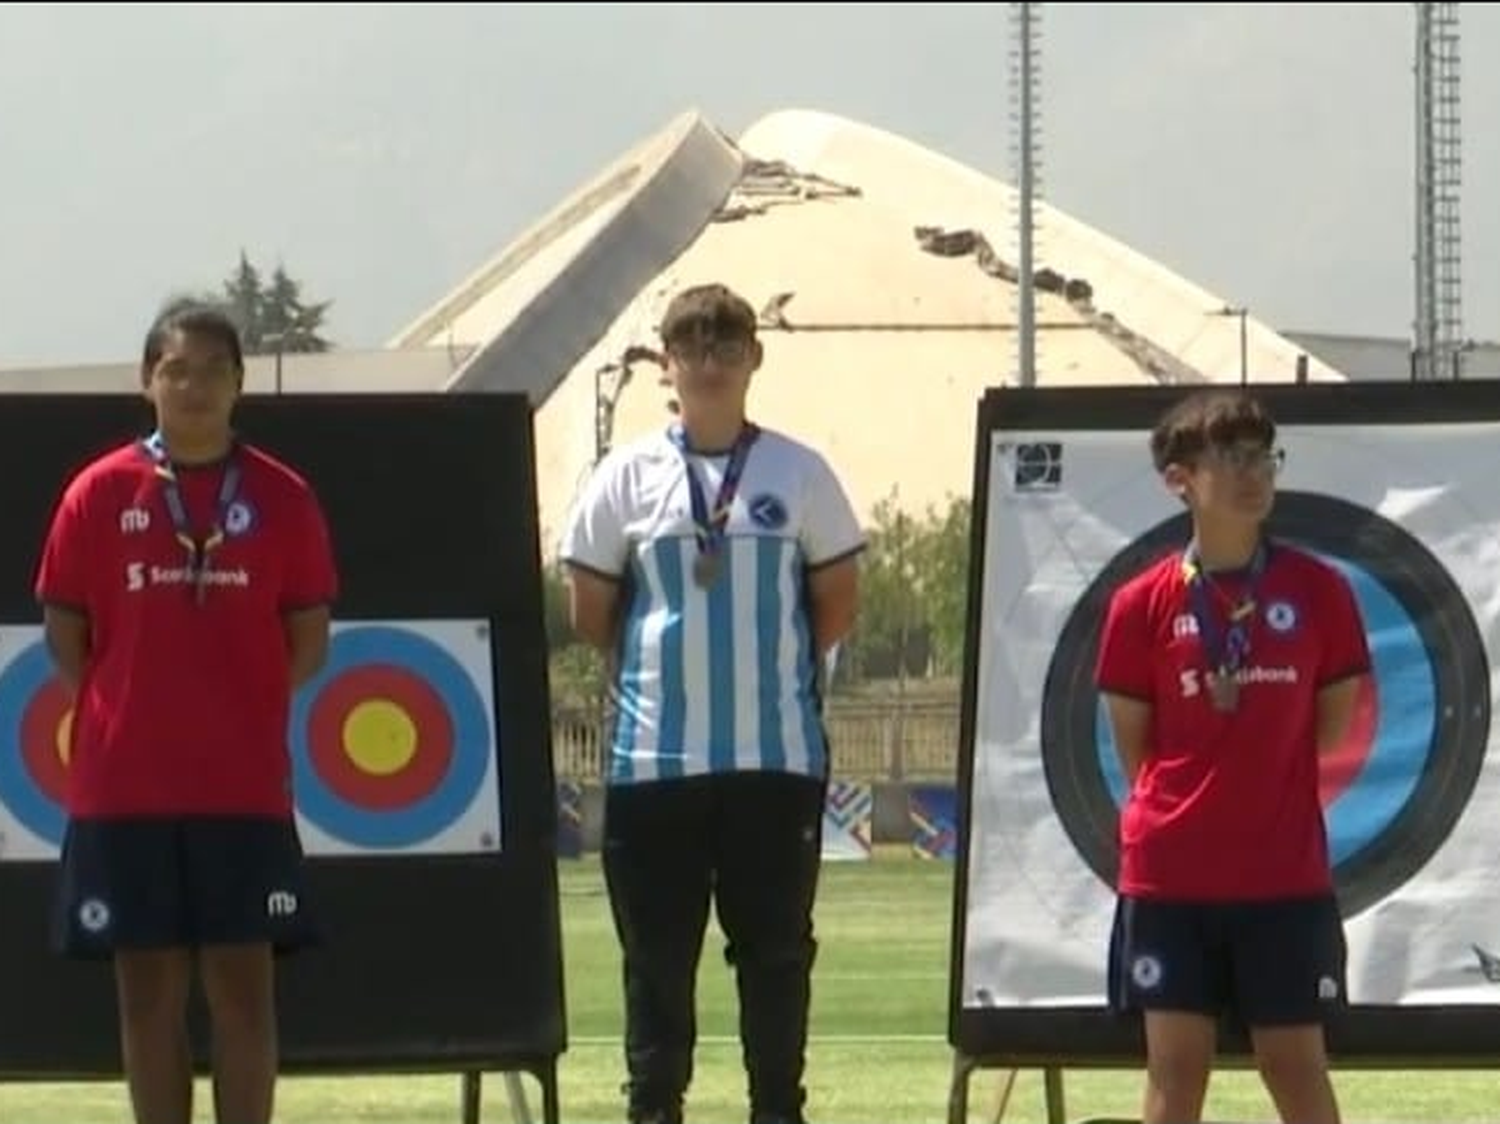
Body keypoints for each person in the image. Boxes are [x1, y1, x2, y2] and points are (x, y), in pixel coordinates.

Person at [560, 282, 864, 1124]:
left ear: (754, 358)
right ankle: (654, 1110)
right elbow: (591, 612)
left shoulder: (799, 471)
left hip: (775, 762)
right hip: (654, 763)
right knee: (655, 962)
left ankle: (777, 1111)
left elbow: (836, 599)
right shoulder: (625, 476)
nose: (710, 358)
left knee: (775, 956)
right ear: (667, 364)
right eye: (692, 344)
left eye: (728, 343)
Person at [34, 297, 339, 1124]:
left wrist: (239, 706)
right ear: (146, 382)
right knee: (147, 998)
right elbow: (67, 632)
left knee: (245, 997)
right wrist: (122, 706)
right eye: (176, 370)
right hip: (124, 791)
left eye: (213, 370)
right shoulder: (97, 494)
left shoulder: (283, 497)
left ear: (240, 384)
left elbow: (307, 639)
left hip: (242, 791)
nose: (195, 387)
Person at [1094, 389, 1372, 1124]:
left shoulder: (1320, 591)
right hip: (1170, 878)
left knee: (1296, 1068)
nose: (1254, 474)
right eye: (1231, 457)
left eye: (1263, 457)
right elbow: (1139, 751)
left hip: (1282, 876)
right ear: (1179, 478)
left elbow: (1330, 727)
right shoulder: (1139, 603)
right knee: (1176, 1073)